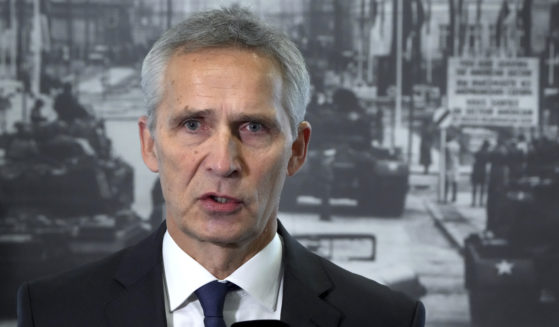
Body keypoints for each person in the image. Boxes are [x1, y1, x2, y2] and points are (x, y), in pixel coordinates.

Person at [17, 7, 425, 327]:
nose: (223, 163)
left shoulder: (384, 319)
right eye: (193, 124)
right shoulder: (54, 313)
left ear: (297, 150)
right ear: (150, 144)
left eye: (253, 127)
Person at [470, 140, 490, 207]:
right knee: (482, 187)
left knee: (475, 187)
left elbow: (474, 158)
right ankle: (481, 202)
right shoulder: (487, 153)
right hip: (483, 170)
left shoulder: (478, 152)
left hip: (476, 170)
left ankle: (473, 202)